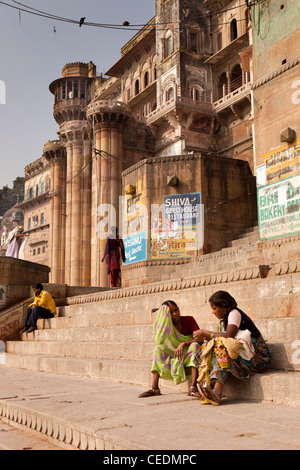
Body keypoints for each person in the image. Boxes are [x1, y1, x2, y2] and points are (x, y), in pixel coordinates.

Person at [193, 290, 272, 405]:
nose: (213, 312)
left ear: (224, 306)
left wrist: (206, 333)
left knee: (221, 348)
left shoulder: (234, 313)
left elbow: (228, 336)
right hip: (244, 356)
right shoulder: (224, 321)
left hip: (258, 358)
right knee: (207, 347)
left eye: (214, 308)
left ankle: (217, 392)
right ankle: (207, 385)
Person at [138, 300, 201, 398]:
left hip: (187, 351)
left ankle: (193, 387)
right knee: (158, 350)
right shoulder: (166, 326)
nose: (175, 314)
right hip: (174, 354)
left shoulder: (189, 320)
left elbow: (200, 338)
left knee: (195, 346)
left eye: (176, 310)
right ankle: (154, 388)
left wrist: (184, 343)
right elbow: (160, 341)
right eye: (171, 312)